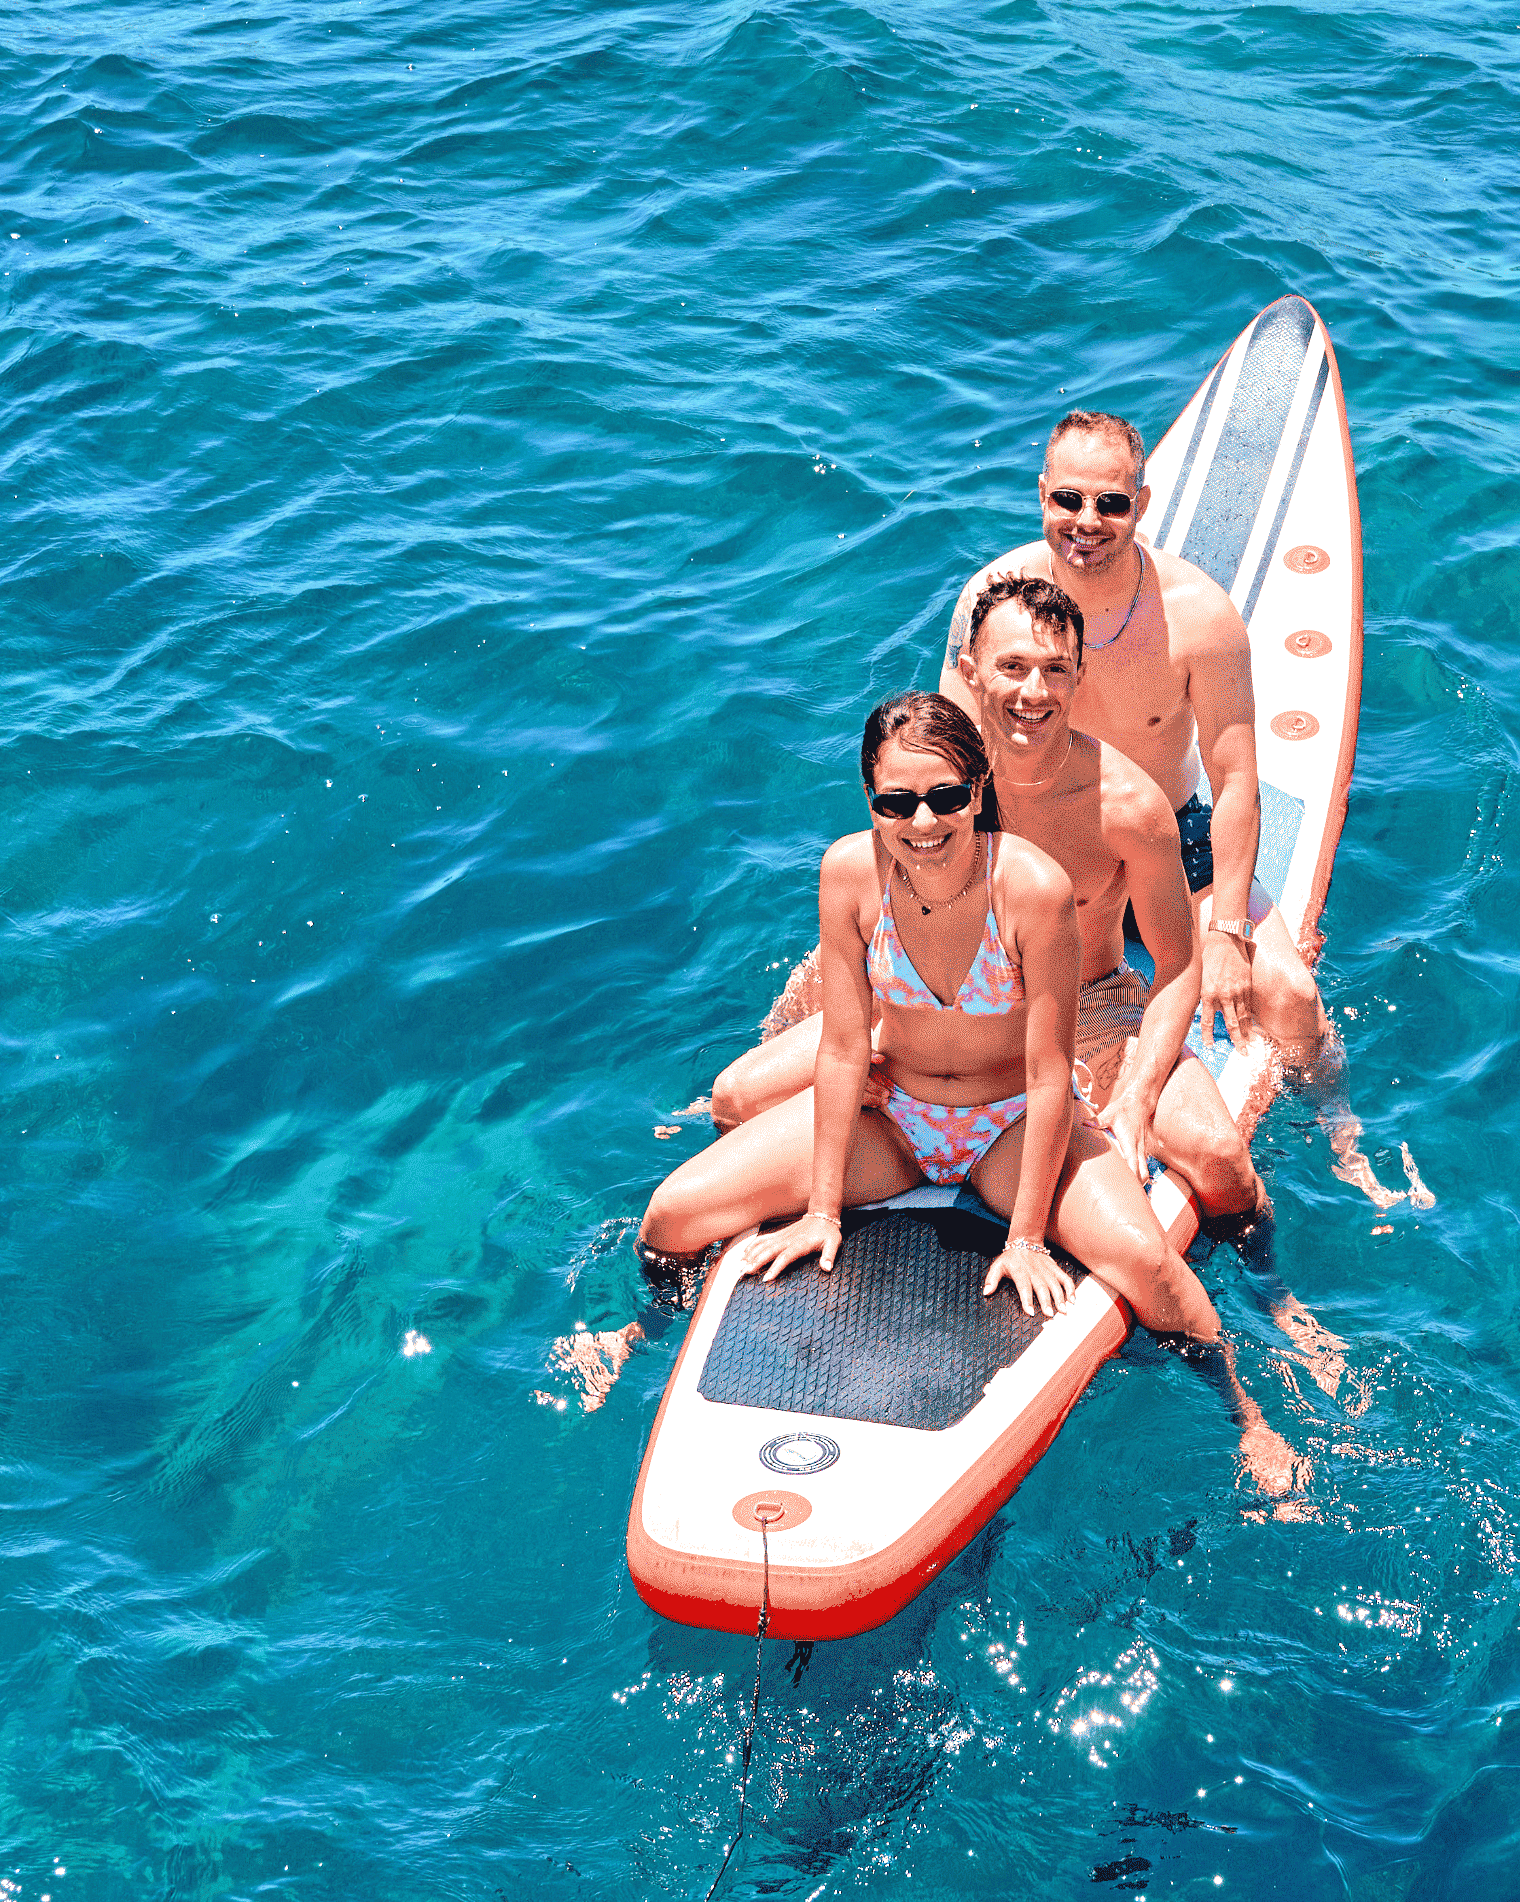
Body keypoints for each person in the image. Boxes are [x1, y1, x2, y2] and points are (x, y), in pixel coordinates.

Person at [595, 691, 1303, 1497]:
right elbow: (838, 1046)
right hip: (898, 1123)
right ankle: (639, 1331)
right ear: (871, 800)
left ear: (978, 790)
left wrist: (1028, 1236)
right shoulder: (848, 875)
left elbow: (1047, 1076)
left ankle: (1248, 1416)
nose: (922, 821)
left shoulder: (1032, 886)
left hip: (1009, 1125)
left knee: (1157, 1273)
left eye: (945, 796)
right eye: (897, 800)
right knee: (672, 1214)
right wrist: (823, 1209)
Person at [952, 408, 1431, 1210]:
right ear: (1041, 494)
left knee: (1290, 995)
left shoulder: (1198, 616)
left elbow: (1237, 777)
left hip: (1170, 841)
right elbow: (954, 759)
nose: (1087, 522)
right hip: (1037, 847)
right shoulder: (992, 597)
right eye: (1068, 499)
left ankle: (1341, 1134)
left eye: (1110, 503)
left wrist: (1229, 932)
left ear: (1142, 501)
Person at [705, 576, 1267, 1223]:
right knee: (734, 1097)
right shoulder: (937, 785)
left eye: (1055, 669)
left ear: (1079, 675)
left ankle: (1269, 1294)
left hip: (1087, 1013)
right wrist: (852, 1047)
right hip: (932, 1017)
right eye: (1013, 667)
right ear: (971, 673)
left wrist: (1139, 1094)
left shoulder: (1128, 808)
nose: (1033, 692)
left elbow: (1177, 966)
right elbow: (875, 904)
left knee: (1223, 1160)